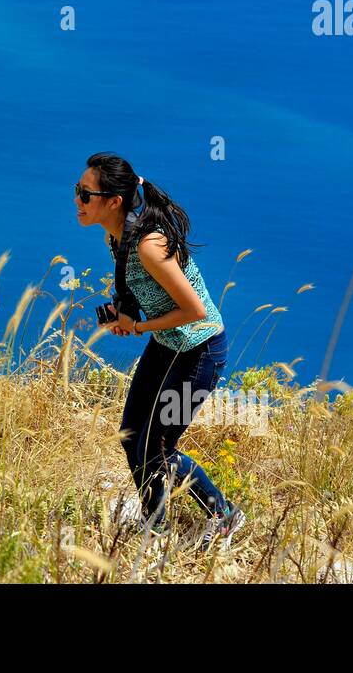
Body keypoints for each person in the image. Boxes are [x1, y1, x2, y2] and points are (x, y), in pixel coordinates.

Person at [75, 151, 246, 550]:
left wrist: (138, 326)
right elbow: (146, 289)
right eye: (78, 191)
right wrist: (125, 314)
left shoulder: (150, 244)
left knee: (158, 448)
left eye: (86, 194)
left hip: (200, 348)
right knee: (131, 436)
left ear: (114, 201)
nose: (78, 200)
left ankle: (224, 516)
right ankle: (156, 528)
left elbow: (194, 310)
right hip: (167, 343)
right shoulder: (116, 237)